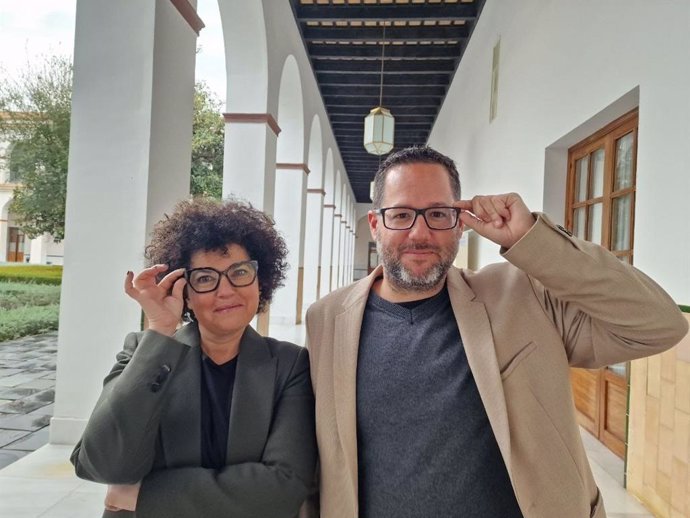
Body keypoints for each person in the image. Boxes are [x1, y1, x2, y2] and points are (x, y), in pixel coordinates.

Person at [305, 146, 688, 518]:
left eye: (438, 213)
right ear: (375, 224)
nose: (419, 232)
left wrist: (531, 239)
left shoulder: (522, 297)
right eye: (402, 214)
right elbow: (315, 459)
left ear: (460, 223)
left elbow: (658, 324)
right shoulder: (327, 320)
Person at [71, 198, 317, 518]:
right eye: (204, 278)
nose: (225, 290)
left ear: (261, 280)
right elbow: (102, 464)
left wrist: (145, 497)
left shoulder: (290, 364)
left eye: (239, 272)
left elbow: (285, 486)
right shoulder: (144, 353)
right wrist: (160, 330)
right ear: (183, 291)